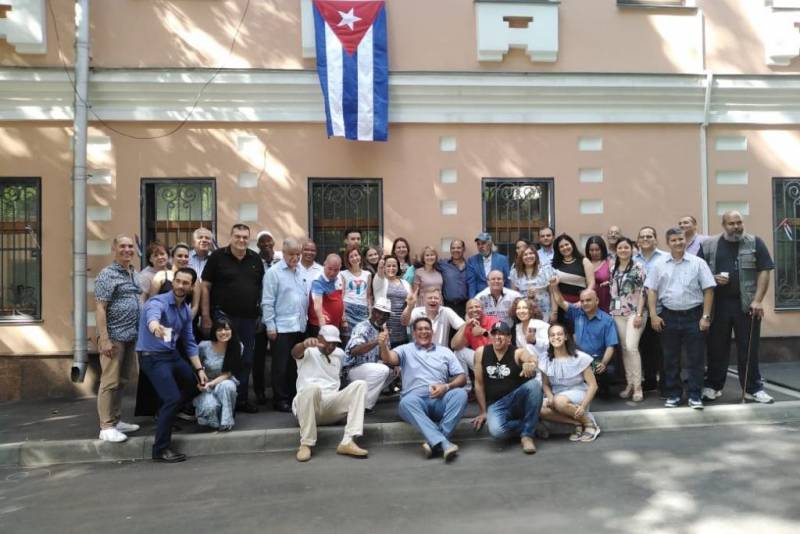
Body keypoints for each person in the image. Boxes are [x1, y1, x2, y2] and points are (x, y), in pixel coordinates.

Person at [701, 211, 775, 404]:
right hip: (718, 305)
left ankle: (753, 389)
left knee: (749, 347)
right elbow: (699, 272)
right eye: (731, 223)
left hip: (747, 305)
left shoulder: (755, 242)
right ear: (723, 225)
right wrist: (713, 278)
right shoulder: (709, 245)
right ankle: (713, 386)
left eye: (739, 222)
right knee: (716, 348)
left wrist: (758, 300)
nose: (736, 226)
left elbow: (765, 271)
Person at [136, 267, 207, 463]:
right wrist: (154, 327)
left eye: (186, 283)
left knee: (195, 386)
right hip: (153, 357)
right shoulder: (158, 302)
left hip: (172, 355)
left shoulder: (184, 310)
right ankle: (160, 449)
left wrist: (200, 370)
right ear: (173, 281)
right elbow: (152, 317)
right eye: (178, 281)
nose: (181, 286)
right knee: (172, 398)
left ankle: (166, 410)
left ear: (191, 287)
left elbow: (190, 342)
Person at [379, 317, 468, 462]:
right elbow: (388, 358)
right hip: (415, 402)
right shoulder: (405, 349)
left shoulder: (445, 351)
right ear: (414, 333)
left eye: (427, 329)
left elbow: (462, 378)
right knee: (406, 402)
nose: (424, 332)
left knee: (460, 394)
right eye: (420, 329)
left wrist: (446, 387)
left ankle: (435, 443)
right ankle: (444, 443)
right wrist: (383, 345)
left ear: (432, 332)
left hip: (440, 399)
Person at [646, 227, 716, 409]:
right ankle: (674, 395)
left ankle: (694, 395)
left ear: (685, 240)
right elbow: (651, 290)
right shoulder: (659, 264)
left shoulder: (698, 262)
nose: (678, 243)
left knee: (696, 359)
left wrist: (706, 316)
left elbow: (708, 289)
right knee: (670, 359)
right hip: (668, 316)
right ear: (668, 243)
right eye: (674, 240)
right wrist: (653, 315)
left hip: (694, 315)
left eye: (681, 239)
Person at [201, 223, 265, 413]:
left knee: (246, 359)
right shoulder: (217, 257)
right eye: (237, 236)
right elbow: (205, 286)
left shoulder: (255, 259)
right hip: (223, 317)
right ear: (231, 237)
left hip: (248, 319)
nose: (241, 240)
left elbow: (261, 288)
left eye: (245, 237)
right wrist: (205, 315)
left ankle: (241, 399)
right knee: (222, 360)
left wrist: (260, 314)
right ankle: (220, 399)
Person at [292, 326, 369, 462]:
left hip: (330, 406)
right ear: (320, 339)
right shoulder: (309, 351)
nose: (331, 346)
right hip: (308, 406)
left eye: (334, 343)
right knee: (313, 388)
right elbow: (295, 353)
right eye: (328, 342)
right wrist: (304, 344)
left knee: (360, 385)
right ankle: (306, 444)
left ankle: (348, 441)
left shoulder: (339, 354)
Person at [94, 235, 142, 443]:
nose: (127, 249)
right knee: (109, 382)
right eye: (122, 246)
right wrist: (104, 339)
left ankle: (115, 420)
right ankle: (105, 426)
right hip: (113, 338)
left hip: (130, 336)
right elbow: (100, 308)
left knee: (122, 381)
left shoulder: (133, 273)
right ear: (114, 248)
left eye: (130, 246)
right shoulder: (107, 274)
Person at [472, 322, 543, 454]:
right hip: (496, 404)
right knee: (496, 431)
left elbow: (531, 357)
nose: (498, 337)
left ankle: (527, 435)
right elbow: (479, 383)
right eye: (494, 333)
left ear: (509, 338)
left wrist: (531, 363)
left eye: (502, 334)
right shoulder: (480, 352)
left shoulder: (517, 352)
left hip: (516, 400)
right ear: (490, 336)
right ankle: (530, 425)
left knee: (534, 385)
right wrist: (483, 411)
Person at [262, 238, 308, 413]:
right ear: (284, 252)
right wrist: (270, 326)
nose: (295, 258)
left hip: (299, 326)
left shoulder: (301, 271)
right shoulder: (273, 273)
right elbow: (267, 301)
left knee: (295, 366)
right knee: (280, 366)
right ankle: (280, 399)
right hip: (281, 327)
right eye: (292, 254)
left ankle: (293, 397)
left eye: (298, 254)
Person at [551, 285, 619, 397]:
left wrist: (604, 363)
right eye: (582, 301)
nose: (585, 303)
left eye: (588, 300)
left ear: (597, 301)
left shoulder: (607, 320)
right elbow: (560, 301)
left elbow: (611, 346)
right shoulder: (577, 312)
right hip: (578, 360)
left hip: (596, 360)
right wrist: (553, 285)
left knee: (608, 371)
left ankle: (601, 387)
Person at [538, 324, 601, 443]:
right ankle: (576, 423)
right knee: (538, 408)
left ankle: (590, 423)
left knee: (559, 401)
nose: (556, 337)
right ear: (549, 338)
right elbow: (545, 384)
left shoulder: (580, 357)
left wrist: (583, 406)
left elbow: (593, 385)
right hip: (557, 395)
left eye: (559, 334)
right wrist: (550, 397)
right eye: (552, 335)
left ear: (566, 337)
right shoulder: (545, 359)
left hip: (578, 393)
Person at [609, 237, 647, 402]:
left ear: (632, 250)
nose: (623, 250)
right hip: (618, 314)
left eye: (626, 247)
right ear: (616, 250)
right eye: (620, 248)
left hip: (634, 313)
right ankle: (629, 384)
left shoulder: (638, 267)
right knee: (624, 349)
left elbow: (643, 292)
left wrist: (639, 314)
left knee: (632, 347)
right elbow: (615, 293)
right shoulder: (613, 268)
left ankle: (638, 386)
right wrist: (615, 312)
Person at [343, 299, 396, 409]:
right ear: (373, 311)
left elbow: (384, 357)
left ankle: (359, 397)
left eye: (386, 315)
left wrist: (394, 364)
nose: (382, 317)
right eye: (379, 312)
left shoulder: (382, 330)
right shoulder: (363, 327)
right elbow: (354, 350)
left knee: (394, 370)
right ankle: (364, 406)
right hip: (353, 370)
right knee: (382, 370)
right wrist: (377, 341)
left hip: (369, 370)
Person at [635, 226, 669, 393]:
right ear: (638, 241)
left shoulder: (666, 258)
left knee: (664, 348)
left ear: (656, 239)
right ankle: (649, 380)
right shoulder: (633, 259)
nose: (646, 239)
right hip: (641, 311)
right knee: (646, 347)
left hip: (662, 308)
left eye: (650, 236)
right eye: (643, 236)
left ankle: (665, 383)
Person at [194, 316, 241, 431]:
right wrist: (199, 383)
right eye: (219, 330)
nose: (223, 332)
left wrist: (212, 384)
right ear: (214, 332)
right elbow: (195, 368)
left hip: (224, 381)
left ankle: (226, 422)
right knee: (210, 407)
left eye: (227, 329)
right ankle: (213, 421)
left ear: (232, 331)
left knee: (226, 385)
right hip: (206, 385)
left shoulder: (237, 346)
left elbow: (229, 373)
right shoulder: (204, 346)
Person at [551, 234, 595, 324]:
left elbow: (591, 283)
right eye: (561, 246)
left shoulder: (584, 261)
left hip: (580, 305)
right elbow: (553, 289)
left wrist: (583, 301)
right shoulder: (555, 265)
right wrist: (554, 311)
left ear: (572, 244)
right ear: (558, 249)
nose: (565, 248)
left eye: (567, 244)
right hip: (562, 305)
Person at [150, 243, 201, 319]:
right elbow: (152, 302)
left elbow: (195, 306)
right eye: (179, 256)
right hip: (163, 322)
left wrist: (186, 322)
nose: (183, 259)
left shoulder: (195, 279)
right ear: (172, 257)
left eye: (186, 256)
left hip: (185, 322)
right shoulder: (160, 276)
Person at [510, 244, 556, 323]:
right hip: (524, 310)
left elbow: (553, 292)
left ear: (536, 255)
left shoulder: (546, 270)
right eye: (525, 254)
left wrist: (554, 312)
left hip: (544, 309)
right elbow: (514, 295)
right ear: (521, 258)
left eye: (531, 253)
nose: (529, 256)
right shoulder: (515, 272)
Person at [372, 256, 411, 347]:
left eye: (394, 266)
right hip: (385, 329)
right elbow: (380, 274)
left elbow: (410, 301)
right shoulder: (380, 281)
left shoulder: (404, 283)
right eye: (388, 266)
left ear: (398, 268)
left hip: (402, 330)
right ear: (384, 268)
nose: (391, 268)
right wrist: (380, 265)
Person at [307, 254, 345, 338]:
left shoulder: (339, 277)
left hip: (335, 324)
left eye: (336, 270)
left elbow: (340, 298)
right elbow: (317, 305)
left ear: (340, 268)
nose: (332, 273)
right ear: (324, 264)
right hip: (320, 325)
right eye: (330, 269)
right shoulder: (318, 281)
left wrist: (343, 318)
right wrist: (323, 327)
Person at [466, 232, 510, 298]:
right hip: (480, 297)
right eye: (478, 244)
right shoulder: (472, 260)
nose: (480, 246)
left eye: (483, 243)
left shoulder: (502, 259)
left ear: (490, 244)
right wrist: (472, 300)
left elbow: (507, 280)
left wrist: (507, 297)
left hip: (499, 297)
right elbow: (471, 283)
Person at [340, 245, 372, 333]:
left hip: (363, 310)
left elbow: (368, 295)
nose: (355, 258)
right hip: (348, 309)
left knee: (362, 339)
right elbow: (341, 296)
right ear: (348, 259)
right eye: (351, 256)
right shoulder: (343, 274)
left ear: (360, 256)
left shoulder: (367, 274)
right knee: (347, 338)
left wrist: (370, 312)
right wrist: (342, 315)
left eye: (356, 255)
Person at [438, 239, 468, 319]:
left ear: (463, 249)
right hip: (448, 306)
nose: (455, 250)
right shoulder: (443, 264)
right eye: (453, 248)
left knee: (464, 330)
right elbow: (429, 263)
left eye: (458, 248)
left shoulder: (470, 265)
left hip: (465, 307)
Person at [585, 235, 611, 312]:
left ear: (602, 249)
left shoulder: (609, 263)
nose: (594, 252)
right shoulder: (584, 263)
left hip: (605, 301)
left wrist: (609, 283)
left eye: (597, 250)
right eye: (591, 250)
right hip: (587, 302)